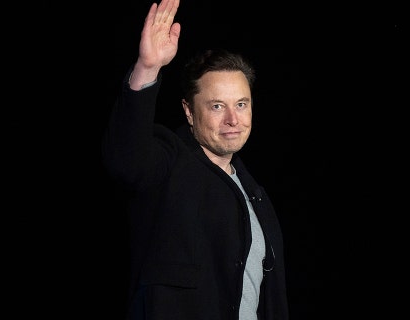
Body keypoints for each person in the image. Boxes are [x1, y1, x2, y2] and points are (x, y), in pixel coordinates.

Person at [101, 0, 289, 318]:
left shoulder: (255, 194)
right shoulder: (169, 162)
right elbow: (125, 157)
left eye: (241, 104)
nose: (233, 119)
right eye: (217, 106)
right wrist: (147, 68)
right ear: (189, 111)